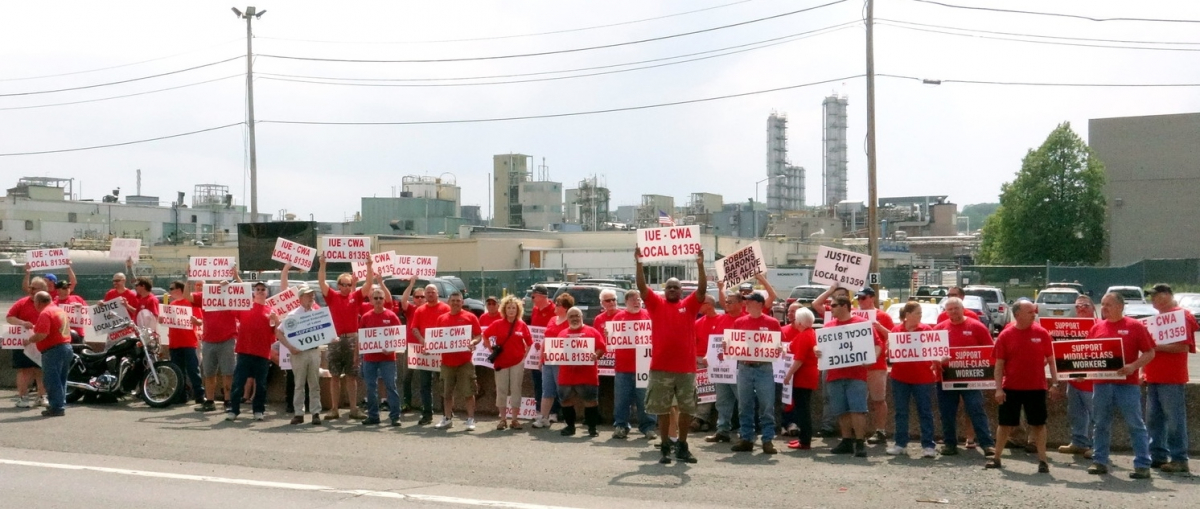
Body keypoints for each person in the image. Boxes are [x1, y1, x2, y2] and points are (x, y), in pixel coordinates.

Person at [635, 249, 706, 464]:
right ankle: (665, 446)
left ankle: (682, 445)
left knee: (687, 408)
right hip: (661, 368)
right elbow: (641, 287)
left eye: (676, 287)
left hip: (685, 369)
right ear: (664, 290)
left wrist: (700, 265)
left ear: (681, 291)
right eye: (669, 287)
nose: (672, 289)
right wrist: (639, 263)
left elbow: (702, 289)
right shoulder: (656, 304)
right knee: (662, 410)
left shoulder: (690, 305)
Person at [1086, 292, 1156, 479]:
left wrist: (1133, 366)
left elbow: (1149, 352)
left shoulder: (1135, 326)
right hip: (1101, 384)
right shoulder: (1097, 328)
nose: (1104, 308)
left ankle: (1142, 464)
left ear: (1120, 306)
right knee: (1100, 423)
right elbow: (1087, 356)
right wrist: (1080, 373)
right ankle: (1099, 460)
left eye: (1108, 304)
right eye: (1102, 304)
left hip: (1127, 385)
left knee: (1135, 424)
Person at [987, 301, 1057, 473]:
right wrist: (998, 389)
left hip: (1037, 387)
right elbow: (998, 365)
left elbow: (1051, 359)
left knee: (1038, 424)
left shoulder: (1042, 333)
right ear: (1018, 314)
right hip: (1011, 387)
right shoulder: (1005, 335)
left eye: (1034, 311)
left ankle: (1043, 461)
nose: (1034, 314)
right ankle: (996, 458)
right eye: (1029, 311)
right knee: (1005, 424)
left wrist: (1055, 383)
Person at [817, 296, 883, 457]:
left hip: (856, 375)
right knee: (841, 411)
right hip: (834, 374)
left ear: (845, 306)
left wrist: (871, 360)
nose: (830, 309)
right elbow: (819, 345)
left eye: (833, 305)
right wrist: (815, 350)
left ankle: (860, 442)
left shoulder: (861, 324)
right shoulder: (829, 326)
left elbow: (878, 344)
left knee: (857, 409)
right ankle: (846, 440)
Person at [1144, 283, 1198, 473]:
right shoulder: (1158, 320)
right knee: (1153, 419)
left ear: (1166, 295)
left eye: (1155, 295)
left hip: (1172, 378)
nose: (1152, 299)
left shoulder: (1181, 316)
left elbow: (1183, 347)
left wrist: (1154, 347)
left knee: (1174, 419)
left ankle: (1179, 458)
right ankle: (1158, 456)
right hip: (1153, 376)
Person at [934, 297, 997, 457]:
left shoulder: (977, 326)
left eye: (956, 308)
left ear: (963, 309)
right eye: (950, 309)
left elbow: (990, 351)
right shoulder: (940, 329)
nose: (953, 312)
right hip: (946, 378)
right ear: (945, 312)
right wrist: (937, 361)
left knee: (976, 409)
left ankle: (987, 444)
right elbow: (932, 353)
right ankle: (950, 444)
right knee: (947, 412)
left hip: (972, 378)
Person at [317, 254, 371, 421]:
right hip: (335, 339)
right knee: (334, 375)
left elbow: (368, 284)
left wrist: (369, 266)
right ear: (339, 285)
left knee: (351, 375)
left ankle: (353, 409)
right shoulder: (332, 296)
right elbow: (321, 282)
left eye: (349, 284)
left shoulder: (355, 297)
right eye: (344, 284)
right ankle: (334, 409)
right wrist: (323, 264)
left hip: (352, 339)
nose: (347, 287)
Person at [729, 292, 783, 454]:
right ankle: (746, 438)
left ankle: (767, 439)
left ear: (760, 304)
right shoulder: (739, 322)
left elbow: (781, 343)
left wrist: (780, 347)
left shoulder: (772, 323)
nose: (747, 304)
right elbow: (733, 341)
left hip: (764, 367)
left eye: (751, 301)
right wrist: (727, 343)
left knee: (767, 405)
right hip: (745, 367)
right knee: (744, 404)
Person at [886, 302, 939, 458]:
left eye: (921, 313)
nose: (920, 316)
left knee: (925, 412)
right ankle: (900, 444)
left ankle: (928, 445)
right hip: (900, 378)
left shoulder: (927, 330)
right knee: (901, 412)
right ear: (908, 315)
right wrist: (890, 349)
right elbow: (891, 356)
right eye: (917, 313)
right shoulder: (896, 331)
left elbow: (935, 351)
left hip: (923, 378)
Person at [226, 281, 277, 421]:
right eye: (257, 289)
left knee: (260, 385)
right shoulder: (244, 306)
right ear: (253, 292)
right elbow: (230, 302)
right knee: (238, 383)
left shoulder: (272, 311)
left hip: (262, 353)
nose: (260, 291)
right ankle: (234, 410)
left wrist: (276, 321)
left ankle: (258, 410)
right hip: (244, 351)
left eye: (263, 289)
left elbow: (276, 333)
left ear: (267, 293)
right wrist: (226, 286)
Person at [610, 289, 657, 439]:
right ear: (626, 302)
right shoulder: (618, 318)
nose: (637, 302)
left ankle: (648, 427)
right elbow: (612, 339)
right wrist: (608, 334)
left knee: (645, 398)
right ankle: (621, 425)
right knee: (622, 399)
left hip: (643, 365)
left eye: (639, 300)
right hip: (623, 366)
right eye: (633, 300)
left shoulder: (648, 315)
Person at [432, 292, 483, 431]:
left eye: (458, 300)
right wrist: (429, 347)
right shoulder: (441, 319)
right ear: (448, 302)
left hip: (465, 361)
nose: (455, 303)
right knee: (446, 393)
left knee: (469, 392)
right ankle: (447, 418)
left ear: (462, 302)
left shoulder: (470, 317)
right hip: (447, 362)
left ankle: (471, 419)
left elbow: (478, 335)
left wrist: (473, 341)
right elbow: (436, 338)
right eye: (453, 300)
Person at [556, 307, 608, 436]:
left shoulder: (592, 332)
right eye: (571, 316)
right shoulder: (561, 334)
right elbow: (556, 351)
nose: (574, 318)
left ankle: (592, 428)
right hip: (566, 374)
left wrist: (596, 355)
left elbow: (601, 348)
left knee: (591, 401)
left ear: (582, 317)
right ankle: (570, 427)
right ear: (567, 319)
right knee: (566, 401)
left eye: (577, 316)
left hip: (587, 373)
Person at [483, 295, 532, 430]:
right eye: (509, 308)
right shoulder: (497, 324)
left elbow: (529, 342)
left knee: (516, 389)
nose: (511, 310)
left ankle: (515, 419)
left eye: (514, 308)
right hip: (501, 362)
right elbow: (485, 335)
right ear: (504, 309)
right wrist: (490, 348)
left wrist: (524, 356)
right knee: (501, 390)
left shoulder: (522, 325)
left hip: (517, 362)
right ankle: (503, 419)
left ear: (518, 310)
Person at [278, 285, 323, 425]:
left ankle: (316, 413)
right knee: (299, 384)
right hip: (299, 353)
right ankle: (299, 413)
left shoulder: (317, 313)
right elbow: (279, 333)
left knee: (314, 384)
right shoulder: (293, 315)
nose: (311, 297)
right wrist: (290, 347)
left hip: (314, 351)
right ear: (301, 298)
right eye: (308, 295)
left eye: (312, 295)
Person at [1058, 295, 1097, 459]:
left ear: (1093, 308)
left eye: (1085, 305)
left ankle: (1097, 447)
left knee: (1096, 416)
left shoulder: (1099, 326)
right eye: (1078, 306)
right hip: (1073, 381)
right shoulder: (1067, 328)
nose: (1081, 308)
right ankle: (1078, 443)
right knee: (1076, 414)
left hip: (1093, 382)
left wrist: (1087, 372)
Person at [856, 287, 895, 446]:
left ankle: (880, 431)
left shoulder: (883, 316)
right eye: (858, 298)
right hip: (857, 366)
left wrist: (878, 326)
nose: (860, 301)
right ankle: (859, 431)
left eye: (863, 298)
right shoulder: (854, 315)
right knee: (858, 401)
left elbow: (894, 338)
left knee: (878, 399)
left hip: (877, 365)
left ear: (872, 298)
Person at [359, 288, 403, 427]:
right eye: (375, 298)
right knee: (371, 388)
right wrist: (357, 356)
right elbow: (361, 338)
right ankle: (373, 416)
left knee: (391, 386)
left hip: (388, 358)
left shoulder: (391, 316)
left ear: (384, 300)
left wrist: (391, 348)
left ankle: (395, 416)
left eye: (380, 298)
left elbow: (399, 337)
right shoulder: (366, 317)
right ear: (371, 300)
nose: (378, 301)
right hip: (369, 359)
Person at [812, 284, 852, 436]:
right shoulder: (830, 313)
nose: (837, 298)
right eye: (835, 296)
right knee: (828, 396)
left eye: (842, 295)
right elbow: (816, 304)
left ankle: (849, 429)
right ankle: (827, 426)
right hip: (830, 361)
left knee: (850, 398)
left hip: (850, 362)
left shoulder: (854, 315)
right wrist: (830, 290)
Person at [704, 288, 743, 444]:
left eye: (730, 302)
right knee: (722, 401)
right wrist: (708, 356)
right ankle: (722, 430)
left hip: (739, 368)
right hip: (722, 369)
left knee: (743, 401)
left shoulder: (745, 320)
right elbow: (714, 343)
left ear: (741, 304)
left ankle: (746, 431)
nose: (726, 304)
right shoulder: (721, 319)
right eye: (726, 301)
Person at [23, 292, 71, 417]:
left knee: (51, 380)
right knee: (61, 379)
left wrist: (29, 340)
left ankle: (56, 407)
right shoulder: (59, 311)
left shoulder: (45, 313)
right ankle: (60, 404)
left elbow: (42, 334)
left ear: (38, 302)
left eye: (34, 302)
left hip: (53, 350)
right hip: (66, 347)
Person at [409, 284, 450, 425]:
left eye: (433, 292)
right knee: (425, 385)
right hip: (425, 352)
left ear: (438, 294)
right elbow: (414, 328)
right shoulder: (420, 310)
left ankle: (447, 414)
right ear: (425, 295)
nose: (430, 294)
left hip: (442, 353)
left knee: (444, 385)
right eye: (428, 292)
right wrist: (423, 341)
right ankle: (427, 413)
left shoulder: (446, 309)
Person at [7, 275, 48, 408]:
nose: (30, 290)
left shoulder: (49, 302)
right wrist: (23, 323)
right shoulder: (22, 302)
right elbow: (9, 318)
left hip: (41, 340)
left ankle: (42, 396)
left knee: (41, 369)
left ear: (43, 289)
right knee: (24, 370)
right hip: (23, 342)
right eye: (30, 288)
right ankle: (22, 398)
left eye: (34, 288)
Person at [534, 292, 573, 429]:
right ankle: (543, 418)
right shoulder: (552, 320)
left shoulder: (569, 322)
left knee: (563, 391)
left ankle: (569, 420)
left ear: (566, 308)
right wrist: (540, 359)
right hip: (548, 360)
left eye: (558, 304)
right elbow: (545, 339)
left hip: (561, 361)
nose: (555, 306)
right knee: (547, 390)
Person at [783, 307, 818, 450]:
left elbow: (799, 359)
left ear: (801, 322)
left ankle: (805, 441)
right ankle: (804, 438)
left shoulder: (804, 335)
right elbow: (791, 348)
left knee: (803, 409)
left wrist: (789, 374)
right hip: (806, 376)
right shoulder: (808, 333)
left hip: (803, 376)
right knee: (802, 408)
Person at [167, 280, 205, 407]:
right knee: (178, 371)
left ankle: (199, 395)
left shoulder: (190, 302)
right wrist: (162, 319)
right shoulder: (171, 304)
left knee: (193, 369)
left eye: (172, 288)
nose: (170, 291)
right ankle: (181, 395)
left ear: (179, 290)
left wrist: (196, 322)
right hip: (174, 342)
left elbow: (200, 320)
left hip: (189, 342)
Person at [692, 293, 723, 434]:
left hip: (718, 361)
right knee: (702, 388)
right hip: (699, 361)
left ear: (709, 305)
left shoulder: (723, 320)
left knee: (707, 388)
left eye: (701, 303)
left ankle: (700, 419)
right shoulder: (698, 323)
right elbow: (693, 344)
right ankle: (702, 420)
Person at [528, 285, 557, 418]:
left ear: (541, 296)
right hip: (537, 351)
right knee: (537, 381)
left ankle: (553, 411)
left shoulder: (554, 310)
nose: (531, 299)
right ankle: (539, 409)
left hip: (551, 350)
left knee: (551, 383)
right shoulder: (534, 310)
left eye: (533, 296)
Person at [50, 262, 85, 344]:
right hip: (62, 336)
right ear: (58, 290)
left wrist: (81, 307)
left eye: (68, 287)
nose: (67, 289)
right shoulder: (54, 304)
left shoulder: (77, 298)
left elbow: (89, 313)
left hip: (78, 334)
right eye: (64, 288)